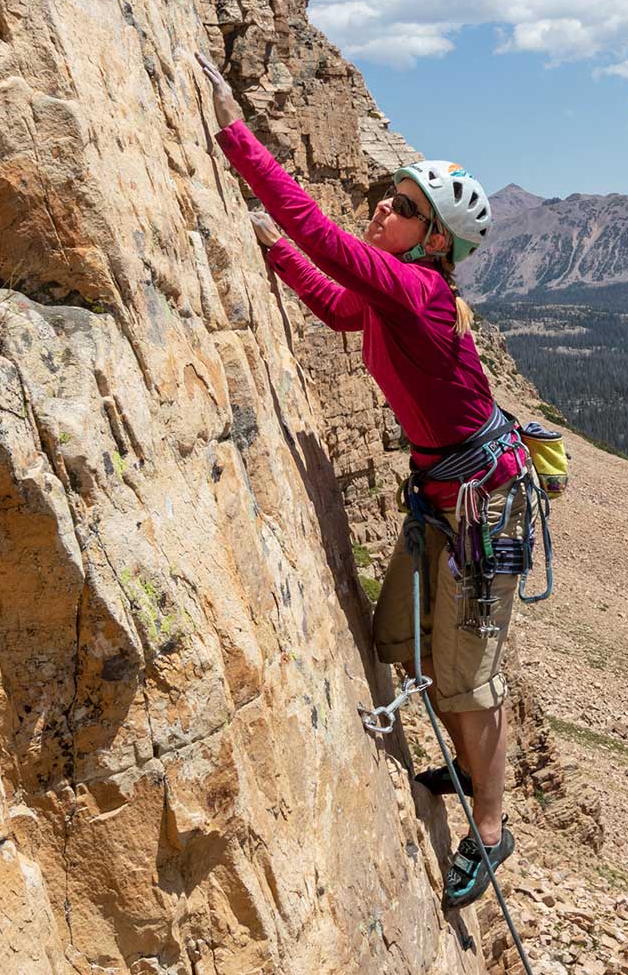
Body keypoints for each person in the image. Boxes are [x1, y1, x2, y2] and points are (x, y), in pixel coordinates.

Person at [195, 52, 527, 909]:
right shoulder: (396, 296)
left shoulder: (416, 290)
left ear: (436, 239)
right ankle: (463, 760)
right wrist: (269, 256)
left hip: (476, 510)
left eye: (405, 206)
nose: (383, 204)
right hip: (448, 495)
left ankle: (491, 829)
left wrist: (236, 132)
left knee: (466, 674)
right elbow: (337, 303)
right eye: (389, 192)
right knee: (408, 641)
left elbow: (326, 241)